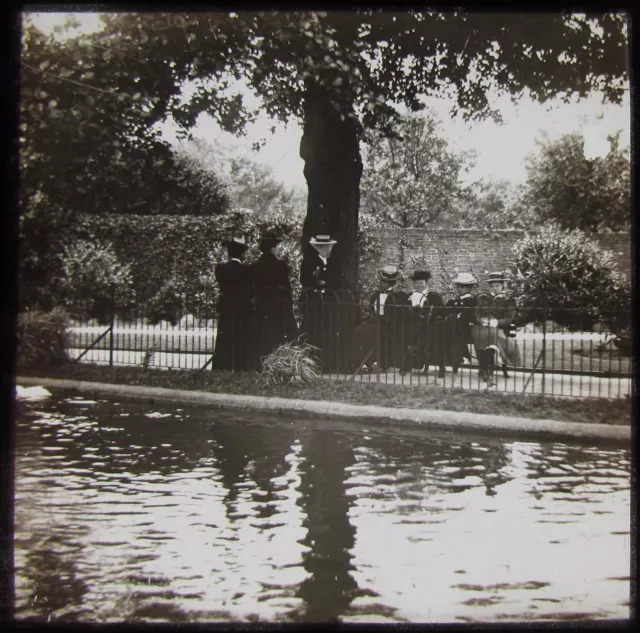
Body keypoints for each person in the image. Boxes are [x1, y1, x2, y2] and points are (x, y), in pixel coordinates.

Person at [300, 235, 354, 371]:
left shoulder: (332, 262)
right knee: (314, 331)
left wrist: (324, 282)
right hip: (315, 303)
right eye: (327, 246)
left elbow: (337, 281)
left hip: (328, 303)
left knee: (328, 331)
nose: (330, 248)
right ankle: (313, 362)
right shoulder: (310, 262)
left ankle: (328, 362)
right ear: (319, 247)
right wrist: (319, 282)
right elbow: (307, 280)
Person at [251, 231, 299, 364]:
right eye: (277, 247)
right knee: (278, 335)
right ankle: (277, 362)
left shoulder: (255, 266)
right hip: (278, 305)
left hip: (262, 305)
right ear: (272, 249)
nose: (278, 250)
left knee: (264, 335)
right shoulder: (280, 265)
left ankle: (261, 361)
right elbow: (286, 286)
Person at [212, 236, 255, 371]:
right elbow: (250, 290)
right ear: (241, 253)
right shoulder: (247, 270)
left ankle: (222, 365)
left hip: (226, 307)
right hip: (242, 308)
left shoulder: (221, 269)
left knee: (225, 336)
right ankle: (239, 365)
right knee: (240, 337)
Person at [471, 271, 522, 384]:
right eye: (492, 286)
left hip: (499, 327)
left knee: (492, 335)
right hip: (481, 326)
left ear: (503, 286)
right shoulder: (483, 297)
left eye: (497, 286)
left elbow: (509, 319)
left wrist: (496, 322)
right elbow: (476, 313)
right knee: (479, 333)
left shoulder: (509, 300)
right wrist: (481, 320)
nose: (494, 288)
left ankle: (487, 369)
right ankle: (484, 367)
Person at [443, 271, 478, 375]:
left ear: (469, 287)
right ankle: (458, 357)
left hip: (465, 327)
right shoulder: (455, 299)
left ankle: (463, 357)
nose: (459, 289)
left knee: (457, 333)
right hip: (454, 327)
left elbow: (469, 314)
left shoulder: (471, 300)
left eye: (462, 287)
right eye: (458, 286)